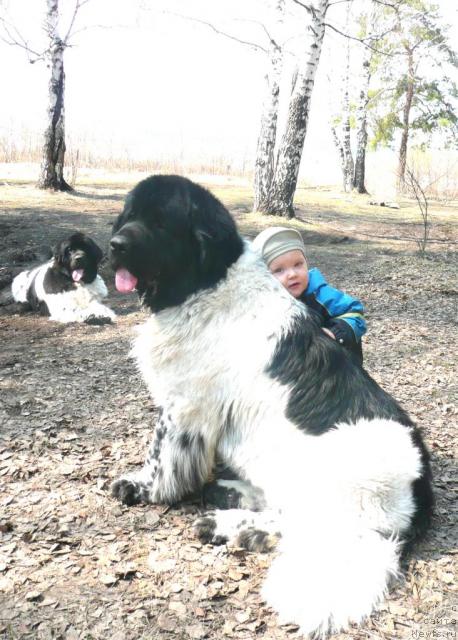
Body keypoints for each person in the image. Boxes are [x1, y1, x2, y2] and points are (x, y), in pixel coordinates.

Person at [252, 226, 366, 365]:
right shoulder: (266, 305)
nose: (292, 274)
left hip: (341, 370)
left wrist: (336, 333)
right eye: (279, 270)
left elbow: (355, 314)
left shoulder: (320, 295)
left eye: (298, 264)